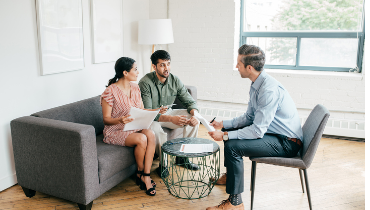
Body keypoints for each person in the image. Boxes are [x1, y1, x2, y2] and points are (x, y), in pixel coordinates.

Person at [206, 45, 303, 210]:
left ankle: (235, 203)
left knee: (232, 145)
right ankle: (231, 178)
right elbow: (249, 117)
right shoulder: (257, 83)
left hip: (287, 143)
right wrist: (223, 125)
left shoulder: (268, 90)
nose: (236, 67)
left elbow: (257, 130)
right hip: (274, 134)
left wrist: (224, 136)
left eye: (238, 63)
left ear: (249, 67)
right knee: (230, 137)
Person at [101, 57, 166, 196]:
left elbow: (141, 110)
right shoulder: (110, 91)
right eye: (135, 69)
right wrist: (120, 120)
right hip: (115, 130)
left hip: (134, 126)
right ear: (125, 72)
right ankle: (141, 173)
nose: (137, 72)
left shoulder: (136, 88)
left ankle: (146, 175)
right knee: (142, 139)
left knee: (150, 134)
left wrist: (157, 110)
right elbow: (106, 119)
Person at [138, 50, 200, 177]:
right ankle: (163, 164)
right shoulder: (145, 83)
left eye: (168, 64)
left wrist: (194, 115)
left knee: (194, 120)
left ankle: (183, 157)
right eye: (162, 65)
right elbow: (148, 112)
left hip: (169, 113)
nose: (167, 68)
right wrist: (172, 119)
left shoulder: (174, 80)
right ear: (154, 66)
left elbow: (189, 101)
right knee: (157, 130)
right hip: (151, 118)